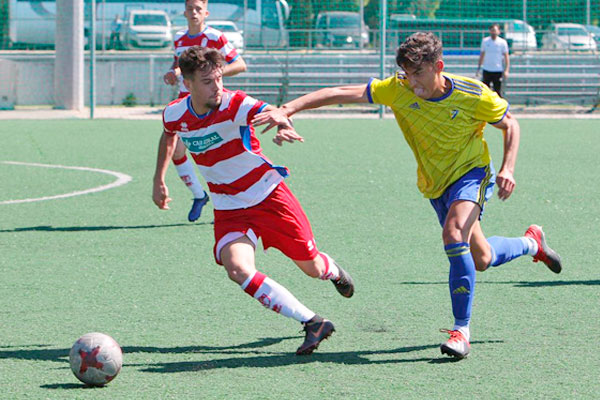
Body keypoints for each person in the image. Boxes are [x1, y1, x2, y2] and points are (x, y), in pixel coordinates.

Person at [252, 32, 562, 360]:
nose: (412, 83)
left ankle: (461, 331)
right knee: (481, 258)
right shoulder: (398, 88)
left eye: (418, 74)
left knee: (453, 234)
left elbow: (510, 124)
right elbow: (344, 92)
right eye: (406, 73)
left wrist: (508, 169)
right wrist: (287, 109)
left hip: (471, 173)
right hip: (434, 183)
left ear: (438, 67)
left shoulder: (473, 94)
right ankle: (532, 243)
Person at [153, 46, 354, 355]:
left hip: (267, 196)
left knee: (312, 267)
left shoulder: (235, 104)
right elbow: (169, 136)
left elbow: (271, 111)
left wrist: (284, 124)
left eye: (219, 78)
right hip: (228, 207)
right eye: (207, 81)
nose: (217, 87)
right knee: (237, 268)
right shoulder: (175, 113)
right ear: (189, 83)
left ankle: (334, 271)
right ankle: (313, 322)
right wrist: (159, 179)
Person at [162, 0, 248, 222]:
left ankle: (236, 201)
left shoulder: (214, 37)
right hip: (185, 103)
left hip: (211, 104)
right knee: (177, 152)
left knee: (220, 154)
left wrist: (213, 77)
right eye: (190, 8)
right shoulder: (179, 38)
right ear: (184, 12)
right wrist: (173, 73)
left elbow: (240, 64)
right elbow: (179, 66)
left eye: (198, 9)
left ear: (206, 13)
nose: (194, 12)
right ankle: (199, 196)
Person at [477, 23, 510, 97]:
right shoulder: (485, 41)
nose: (493, 32)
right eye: (492, 30)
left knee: (497, 91)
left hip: (497, 70)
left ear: (498, 31)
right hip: (487, 69)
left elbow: (506, 57)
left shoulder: (502, 42)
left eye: (495, 30)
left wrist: (506, 70)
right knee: (485, 91)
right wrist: (479, 67)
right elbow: (482, 54)